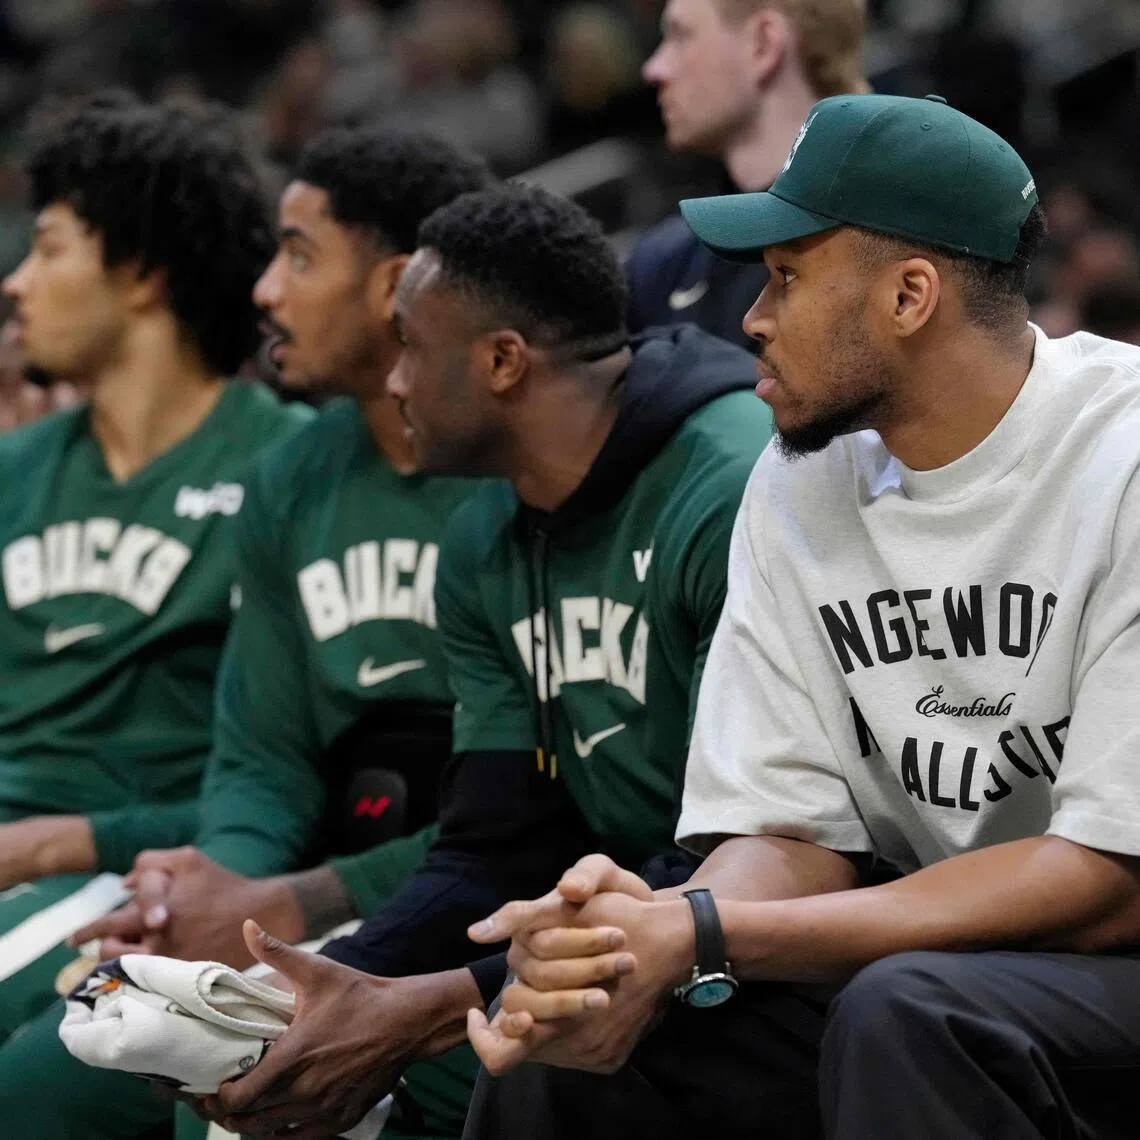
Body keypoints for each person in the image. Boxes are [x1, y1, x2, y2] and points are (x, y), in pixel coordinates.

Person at [463, 94, 1140, 1140]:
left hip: (1109, 955)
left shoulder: (1123, 455)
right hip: (940, 959)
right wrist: (643, 940)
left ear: (910, 295)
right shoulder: (800, 478)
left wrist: (706, 930)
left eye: (785, 278)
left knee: (905, 1011)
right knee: (581, 1034)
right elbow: (789, 832)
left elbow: (1103, 881)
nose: (750, 318)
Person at [182, 184, 773, 1140]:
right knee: (262, 1054)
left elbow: (742, 846)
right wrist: (348, 979)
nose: (397, 381)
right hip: (600, 915)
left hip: (747, 926)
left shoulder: (730, 489)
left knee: (498, 1066)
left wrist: (413, 1011)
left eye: (411, 346)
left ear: (502, 362)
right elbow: (496, 838)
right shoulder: (482, 539)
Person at [5, 127, 494, 1140]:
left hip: (460, 893)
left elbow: (526, 812)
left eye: (300, 256)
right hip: (285, 875)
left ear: (395, 284)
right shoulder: (299, 472)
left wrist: (252, 896)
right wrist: (226, 899)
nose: (267, 291)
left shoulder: (507, 478)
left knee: (116, 1074)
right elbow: (261, 761)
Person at [0, 87, 311, 1095]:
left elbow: (293, 769)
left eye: (49, 248)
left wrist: (62, 838)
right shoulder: (17, 469)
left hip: (153, 869)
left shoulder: (288, 466)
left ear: (139, 272)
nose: (16, 283)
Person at [628, 0, 867, 346]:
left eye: (680, 35)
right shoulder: (661, 263)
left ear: (763, 45)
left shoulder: (884, 241)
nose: (654, 69)